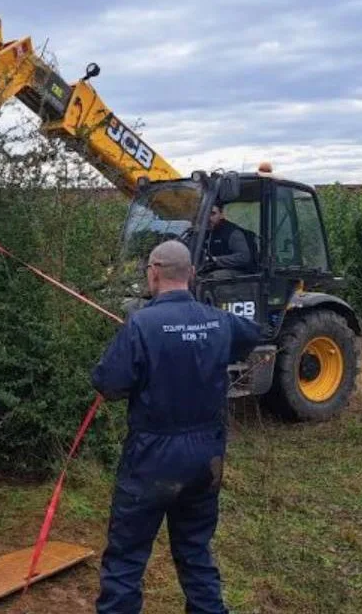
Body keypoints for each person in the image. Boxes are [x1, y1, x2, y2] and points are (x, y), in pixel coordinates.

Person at [90, 240, 261, 614]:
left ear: (153, 272)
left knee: (126, 557)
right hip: (205, 458)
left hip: (152, 457)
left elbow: (107, 383)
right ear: (192, 275)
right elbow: (254, 332)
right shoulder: (219, 321)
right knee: (195, 550)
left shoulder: (141, 323)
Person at [202, 203, 256, 275]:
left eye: (213, 214)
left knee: (213, 276)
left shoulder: (232, 233)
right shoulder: (203, 232)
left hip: (236, 272)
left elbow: (244, 257)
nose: (209, 218)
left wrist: (215, 260)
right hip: (211, 268)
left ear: (221, 215)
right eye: (206, 214)